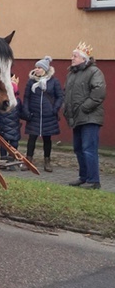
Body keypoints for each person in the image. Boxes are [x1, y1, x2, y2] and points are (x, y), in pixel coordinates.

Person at [63, 42, 106, 189]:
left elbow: (99, 92)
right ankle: (84, 177)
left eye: (75, 56)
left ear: (84, 59)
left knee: (89, 148)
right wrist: (66, 110)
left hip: (90, 117)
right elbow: (66, 94)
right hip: (76, 118)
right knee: (78, 148)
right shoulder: (71, 74)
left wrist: (84, 108)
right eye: (72, 55)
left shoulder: (94, 72)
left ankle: (94, 181)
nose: (72, 58)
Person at [21, 55, 64, 172]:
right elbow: (26, 98)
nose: (36, 69)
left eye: (39, 67)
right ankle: (28, 160)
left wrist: (54, 109)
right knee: (31, 138)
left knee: (47, 139)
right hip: (34, 115)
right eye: (36, 67)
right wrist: (26, 111)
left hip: (48, 116)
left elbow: (60, 97)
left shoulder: (54, 82)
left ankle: (47, 161)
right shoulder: (31, 82)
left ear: (45, 69)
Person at [0, 74, 23, 170]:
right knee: (6, 145)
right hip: (5, 127)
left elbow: (21, 113)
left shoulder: (17, 102)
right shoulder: (3, 101)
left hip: (13, 127)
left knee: (11, 145)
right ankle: (5, 162)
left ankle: (10, 162)